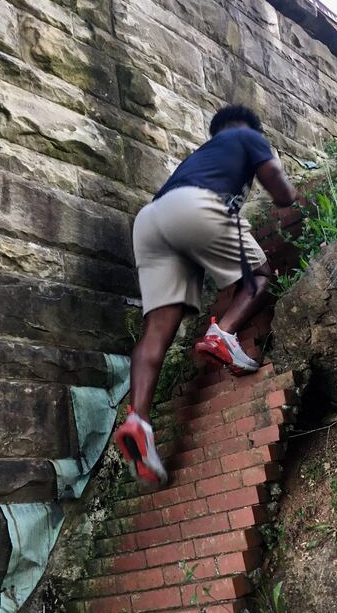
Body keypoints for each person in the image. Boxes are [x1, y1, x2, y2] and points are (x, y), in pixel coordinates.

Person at [114, 104, 298, 487]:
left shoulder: (199, 157)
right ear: (244, 128)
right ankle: (224, 332)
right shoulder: (247, 135)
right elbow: (278, 184)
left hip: (151, 220)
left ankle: (139, 420)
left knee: (157, 332)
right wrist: (288, 199)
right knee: (259, 277)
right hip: (195, 207)